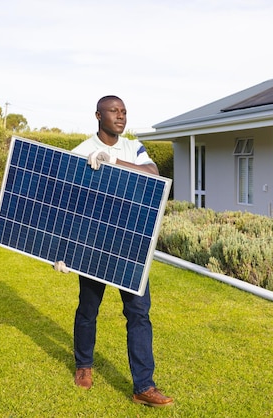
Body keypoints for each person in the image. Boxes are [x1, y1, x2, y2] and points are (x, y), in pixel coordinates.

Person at [54, 95, 173, 407]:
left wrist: (113, 162)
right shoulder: (80, 151)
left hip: (129, 243)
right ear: (98, 115)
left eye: (123, 112)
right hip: (92, 242)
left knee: (138, 314)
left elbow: (153, 172)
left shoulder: (132, 147)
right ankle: (83, 366)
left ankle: (144, 386)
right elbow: (66, 205)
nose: (120, 117)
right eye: (113, 111)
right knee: (87, 310)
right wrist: (60, 252)